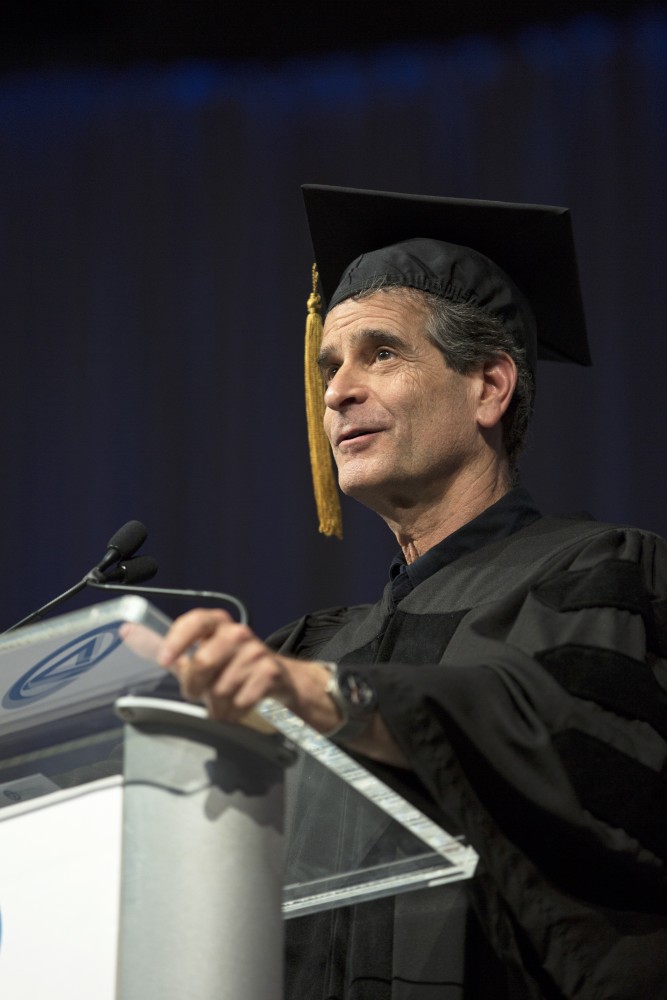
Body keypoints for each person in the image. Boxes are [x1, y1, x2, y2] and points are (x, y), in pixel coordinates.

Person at [156, 186, 667, 999]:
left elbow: (579, 755)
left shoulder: (599, 575)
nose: (335, 392)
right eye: (329, 366)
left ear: (489, 387)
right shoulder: (310, 647)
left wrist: (331, 700)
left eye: (379, 354)